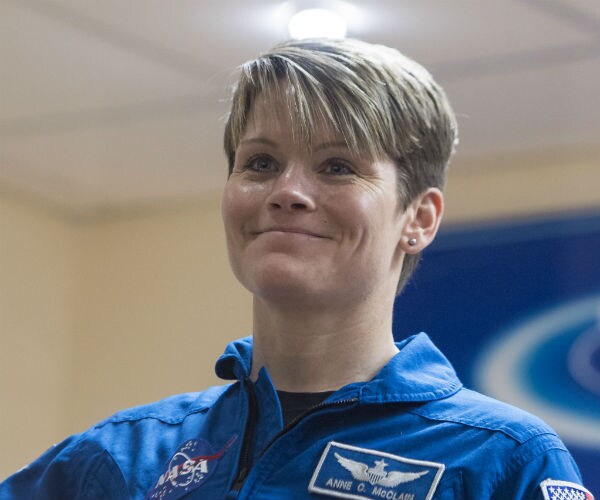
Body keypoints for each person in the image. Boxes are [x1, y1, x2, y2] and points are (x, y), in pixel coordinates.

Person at [0, 38, 592, 500]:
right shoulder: (125, 459)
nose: (286, 192)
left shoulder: (501, 460)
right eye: (260, 162)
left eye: (337, 167)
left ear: (419, 217)